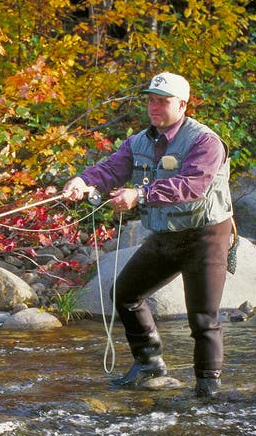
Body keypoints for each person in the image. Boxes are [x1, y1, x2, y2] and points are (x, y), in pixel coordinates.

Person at [60, 72, 235, 398]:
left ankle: (208, 391)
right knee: (124, 294)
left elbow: (192, 186)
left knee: (203, 319)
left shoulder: (205, 142)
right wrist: (83, 182)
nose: (154, 106)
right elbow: (110, 169)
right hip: (166, 236)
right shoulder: (139, 141)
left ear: (182, 104)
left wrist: (138, 196)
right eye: (151, 100)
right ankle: (150, 365)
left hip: (205, 237)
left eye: (163, 101)